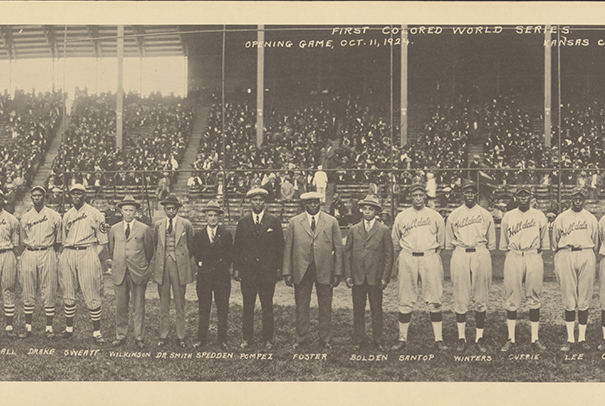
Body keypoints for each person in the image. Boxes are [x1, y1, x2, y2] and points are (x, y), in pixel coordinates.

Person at [390, 183, 447, 351]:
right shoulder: (402, 216)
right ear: (410, 197)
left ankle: (439, 339)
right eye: (414, 195)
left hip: (429, 256)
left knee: (435, 298)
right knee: (405, 297)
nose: (417, 198)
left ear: (425, 197)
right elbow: (395, 240)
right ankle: (402, 338)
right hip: (408, 256)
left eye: (420, 195)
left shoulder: (435, 216)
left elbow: (441, 242)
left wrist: (431, 253)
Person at [282, 191, 343, 349]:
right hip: (302, 270)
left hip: (324, 269)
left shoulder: (331, 221)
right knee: (301, 305)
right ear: (304, 204)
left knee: (325, 305)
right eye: (309, 203)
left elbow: (338, 248)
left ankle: (325, 338)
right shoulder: (294, 222)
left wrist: (337, 272)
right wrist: (287, 272)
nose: (313, 205)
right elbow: (288, 248)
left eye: (316, 202)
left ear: (320, 203)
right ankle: (301, 337)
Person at [445, 180, 496, 353]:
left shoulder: (485, 214)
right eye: (466, 192)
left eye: (472, 192)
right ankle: (461, 337)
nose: (469, 195)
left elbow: (491, 241)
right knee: (461, 295)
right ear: (462, 194)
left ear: (476, 194)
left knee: (481, 296)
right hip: (460, 251)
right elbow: (449, 240)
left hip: (480, 252)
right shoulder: (454, 215)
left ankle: (479, 337)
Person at [499, 186, 550, 352]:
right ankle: (511, 338)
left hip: (533, 256)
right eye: (520, 195)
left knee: (534, 296)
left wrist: (534, 254)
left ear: (530, 196)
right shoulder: (508, 216)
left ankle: (535, 338)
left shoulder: (539, 215)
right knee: (512, 296)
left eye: (525, 194)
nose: (523, 197)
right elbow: (504, 243)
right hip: (514, 255)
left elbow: (544, 242)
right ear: (515, 197)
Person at [233, 188, 284, 350]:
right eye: (255, 200)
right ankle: (247, 338)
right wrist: (237, 268)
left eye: (260, 200)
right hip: (248, 272)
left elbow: (279, 248)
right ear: (250, 202)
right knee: (248, 305)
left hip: (267, 272)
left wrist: (278, 269)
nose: (258, 203)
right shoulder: (243, 222)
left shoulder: (273, 221)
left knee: (267, 305)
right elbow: (238, 247)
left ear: (265, 202)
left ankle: (267, 339)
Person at [59, 184, 108, 344]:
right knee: (68, 290)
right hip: (69, 252)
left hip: (87, 250)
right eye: (73, 193)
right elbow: (64, 238)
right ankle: (68, 329)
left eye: (79, 193)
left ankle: (96, 332)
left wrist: (93, 255)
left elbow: (102, 241)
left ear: (84, 195)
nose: (75, 196)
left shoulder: (95, 214)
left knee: (91, 291)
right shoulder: (67, 215)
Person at [552, 187, 598, 352]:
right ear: (570, 199)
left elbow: (595, 241)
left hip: (586, 253)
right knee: (569, 297)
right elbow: (555, 241)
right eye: (575, 198)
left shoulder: (591, 218)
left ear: (584, 200)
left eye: (580, 198)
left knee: (584, 297)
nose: (577, 201)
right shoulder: (562, 218)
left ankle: (582, 338)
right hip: (566, 253)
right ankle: (570, 339)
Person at [344, 194, 393, 350]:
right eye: (364, 209)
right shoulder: (353, 229)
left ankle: (377, 339)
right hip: (358, 276)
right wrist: (348, 275)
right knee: (358, 309)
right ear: (360, 210)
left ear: (376, 212)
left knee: (376, 309)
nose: (367, 212)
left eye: (370, 209)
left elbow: (388, 255)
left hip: (375, 277)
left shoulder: (384, 230)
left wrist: (385, 277)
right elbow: (348, 254)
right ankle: (359, 338)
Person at [107, 195, 154, 349]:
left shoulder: (144, 228)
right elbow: (111, 249)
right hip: (120, 271)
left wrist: (142, 266)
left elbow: (149, 251)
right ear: (121, 211)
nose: (128, 213)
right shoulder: (114, 229)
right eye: (125, 210)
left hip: (137, 272)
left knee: (138, 305)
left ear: (136, 212)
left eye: (131, 210)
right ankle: (120, 335)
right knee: (121, 305)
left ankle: (139, 337)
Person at [17, 186, 62, 339]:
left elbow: (58, 241)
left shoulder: (54, 215)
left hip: (47, 251)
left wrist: (49, 250)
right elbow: (22, 240)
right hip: (30, 252)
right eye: (34, 196)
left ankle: (49, 327)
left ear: (45, 197)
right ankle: (28, 327)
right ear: (31, 198)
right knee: (28, 288)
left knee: (49, 288)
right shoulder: (25, 217)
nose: (37, 198)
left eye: (39, 196)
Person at [151, 194, 195, 348]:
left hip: (179, 266)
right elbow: (156, 245)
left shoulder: (186, 224)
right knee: (163, 302)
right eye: (168, 209)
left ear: (177, 209)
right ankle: (163, 335)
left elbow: (190, 244)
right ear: (164, 209)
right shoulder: (158, 225)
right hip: (163, 265)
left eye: (173, 208)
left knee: (179, 301)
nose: (170, 211)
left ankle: (180, 335)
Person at [192, 200, 233, 350]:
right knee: (204, 308)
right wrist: (203, 266)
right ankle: (201, 338)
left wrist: (221, 267)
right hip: (205, 278)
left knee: (222, 308)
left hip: (222, 277)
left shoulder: (226, 234)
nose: (213, 218)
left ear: (219, 217)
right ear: (205, 217)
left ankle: (222, 339)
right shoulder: (199, 235)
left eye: (215, 215)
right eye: (210, 215)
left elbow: (230, 255)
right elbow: (197, 255)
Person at [0, 190, 19, 338]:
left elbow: (16, 243)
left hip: (6, 253)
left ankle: (9, 326)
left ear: (3, 200)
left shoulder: (11, 219)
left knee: (8, 288)